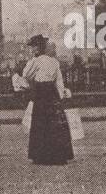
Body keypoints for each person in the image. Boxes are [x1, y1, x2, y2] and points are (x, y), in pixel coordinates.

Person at [21, 35, 74, 166]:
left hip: (41, 93)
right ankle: (59, 156)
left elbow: (26, 74)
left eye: (34, 47)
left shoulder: (36, 61)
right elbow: (59, 81)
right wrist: (61, 96)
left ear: (38, 48)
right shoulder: (54, 62)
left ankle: (41, 156)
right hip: (52, 93)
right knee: (55, 124)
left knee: (40, 123)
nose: (33, 50)